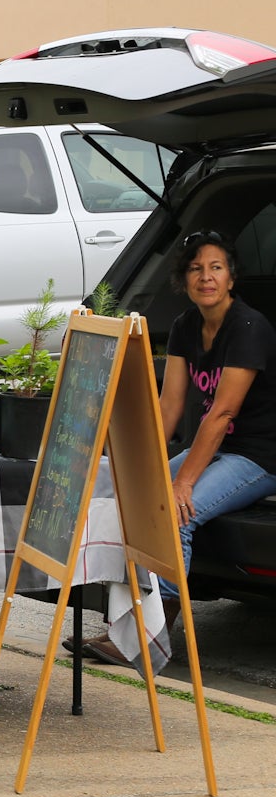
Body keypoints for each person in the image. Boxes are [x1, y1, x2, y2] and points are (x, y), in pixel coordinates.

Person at [71, 231, 276, 662]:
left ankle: (151, 641)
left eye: (216, 268)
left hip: (257, 455)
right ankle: (125, 629)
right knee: (133, 501)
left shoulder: (249, 327)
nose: (206, 277)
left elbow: (221, 415)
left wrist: (182, 483)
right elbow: (170, 405)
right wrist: (141, 464)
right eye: (196, 269)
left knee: (175, 515)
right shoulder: (186, 326)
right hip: (216, 446)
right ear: (184, 281)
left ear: (231, 278)